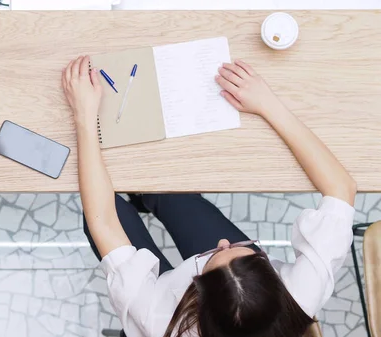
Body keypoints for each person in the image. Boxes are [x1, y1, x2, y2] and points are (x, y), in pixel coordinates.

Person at [61, 55, 357, 337]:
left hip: (162, 304)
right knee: (173, 194)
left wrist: (84, 116)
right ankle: (147, 196)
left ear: (198, 309)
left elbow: (104, 224)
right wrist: (268, 104)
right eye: (240, 250)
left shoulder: (157, 321)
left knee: (102, 212)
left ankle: (137, 200)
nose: (221, 244)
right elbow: (341, 189)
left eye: (214, 257)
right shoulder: (303, 292)